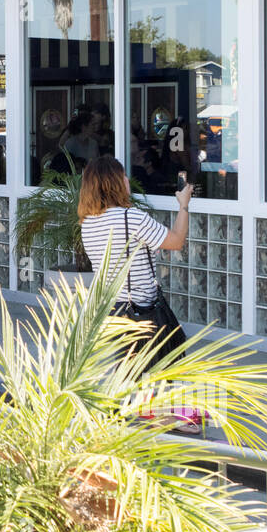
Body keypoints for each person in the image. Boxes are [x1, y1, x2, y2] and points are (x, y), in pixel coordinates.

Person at [78, 156, 196, 431]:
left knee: (140, 363)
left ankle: (157, 412)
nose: (128, 180)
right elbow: (176, 242)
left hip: (113, 305)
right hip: (142, 305)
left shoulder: (87, 222)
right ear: (115, 182)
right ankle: (162, 417)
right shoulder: (132, 217)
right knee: (161, 359)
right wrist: (184, 206)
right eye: (123, 176)